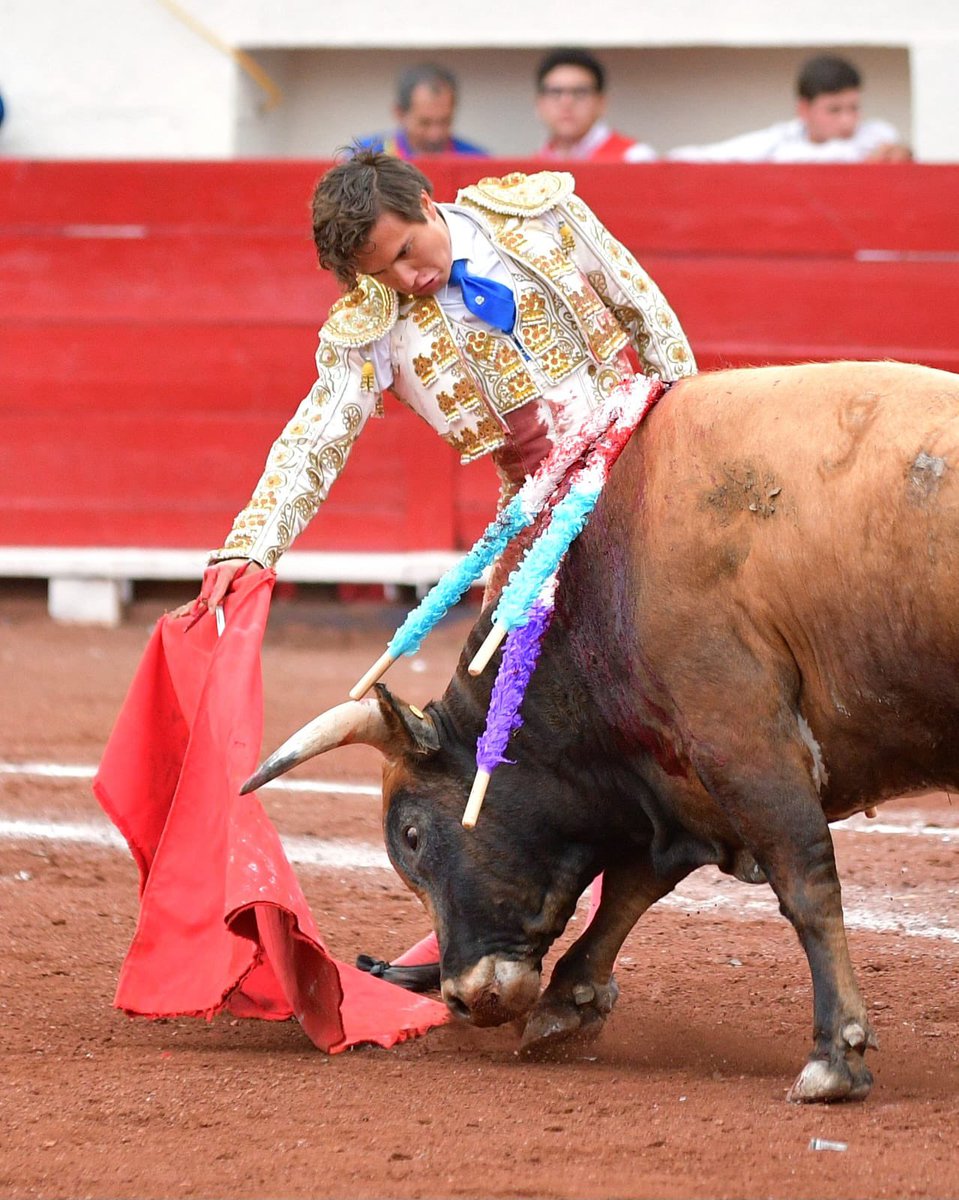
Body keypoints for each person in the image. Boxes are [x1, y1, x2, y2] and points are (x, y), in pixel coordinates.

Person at [182, 150, 696, 988]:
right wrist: (252, 543)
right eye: (380, 274)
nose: (406, 280)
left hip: (653, 472)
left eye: (405, 253)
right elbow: (316, 437)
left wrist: (696, 448)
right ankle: (474, 938)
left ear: (426, 202)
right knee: (512, 745)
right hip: (538, 521)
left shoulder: (538, 214)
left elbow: (647, 317)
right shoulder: (373, 325)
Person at [669, 54, 911, 163]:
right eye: (834, 110)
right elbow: (711, 155)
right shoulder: (779, 142)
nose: (848, 120)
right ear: (804, 109)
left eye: (854, 108)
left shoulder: (877, 134)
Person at [534, 47, 657, 163]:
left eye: (580, 92)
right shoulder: (531, 170)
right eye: (556, 92)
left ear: (601, 102)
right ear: (539, 103)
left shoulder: (635, 158)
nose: (567, 102)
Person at [356, 63, 487, 159]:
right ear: (399, 114)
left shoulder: (476, 161)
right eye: (425, 123)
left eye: (444, 122)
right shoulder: (365, 159)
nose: (435, 135)